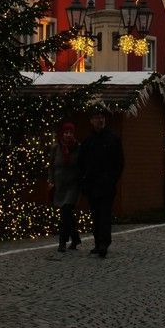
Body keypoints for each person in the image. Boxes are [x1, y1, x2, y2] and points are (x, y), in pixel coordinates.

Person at [77, 103, 124, 259]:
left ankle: (104, 243)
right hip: (92, 184)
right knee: (96, 215)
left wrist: (112, 180)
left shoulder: (113, 138)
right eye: (97, 118)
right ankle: (98, 243)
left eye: (102, 117)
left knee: (104, 215)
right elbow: (81, 163)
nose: (100, 120)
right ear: (91, 120)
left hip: (107, 184)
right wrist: (84, 181)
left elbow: (119, 162)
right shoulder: (88, 141)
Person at [49, 121, 82, 255]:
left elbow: (81, 165)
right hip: (60, 185)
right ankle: (75, 239)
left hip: (73, 185)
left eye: (70, 133)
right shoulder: (56, 148)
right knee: (67, 214)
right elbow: (51, 166)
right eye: (66, 132)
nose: (68, 135)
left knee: (66, 211)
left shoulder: (78, 147)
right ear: (62, 134)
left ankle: (62, 242)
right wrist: (51, 181)